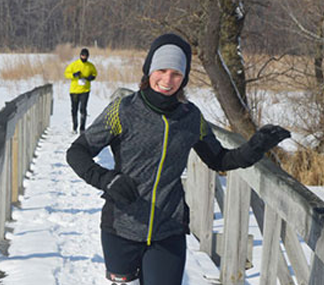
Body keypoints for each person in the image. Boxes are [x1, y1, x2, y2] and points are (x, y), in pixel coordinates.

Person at [66, 34, 290, 285]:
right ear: (149, 70)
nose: (167, 80)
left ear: (184, 78)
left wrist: (255, 148)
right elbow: (77, 152)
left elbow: (219, 160)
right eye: (161, 70)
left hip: (168, 229)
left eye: (176, 73)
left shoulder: (191, 117)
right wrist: (107, 179)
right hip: (122, 227)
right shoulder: (123, 110)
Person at [64, 48, 98, 134]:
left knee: (83, 109)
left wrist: (91, 77)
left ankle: (82, 128)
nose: (84, 57)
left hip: (85, 90)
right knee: (74, 109)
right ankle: (74, 127)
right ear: (80, 55)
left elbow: (94, 73)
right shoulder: (74, 64)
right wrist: (74, 75)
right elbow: (66, 73)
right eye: (82, 55)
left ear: (88, 56)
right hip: (74, 91)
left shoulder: (90, 66)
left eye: (85, 56)